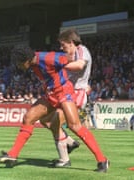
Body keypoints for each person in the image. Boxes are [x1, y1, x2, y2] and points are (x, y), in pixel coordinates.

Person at [0, 45, 109, 173]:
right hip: (51, 95)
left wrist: (82, 81)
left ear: (26, 60)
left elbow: (67, 59)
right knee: (29, 118)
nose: (18, 66)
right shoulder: (33, 62)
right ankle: (13, 155)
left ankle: (102, 160)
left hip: (65, 93)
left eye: (19, 63)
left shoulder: (47, 58)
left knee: (74, 126)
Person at [39, 29, 94, 167]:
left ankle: (65, 159)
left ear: (71, 43)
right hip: (65, 93)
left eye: (63, 45)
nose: (61, 48)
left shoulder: (81, 50)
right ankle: (69, 142)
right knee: (45, 120)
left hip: (77, 93)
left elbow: (80, 65)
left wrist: (57, 65)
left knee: (56, 120)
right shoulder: (65, 55)